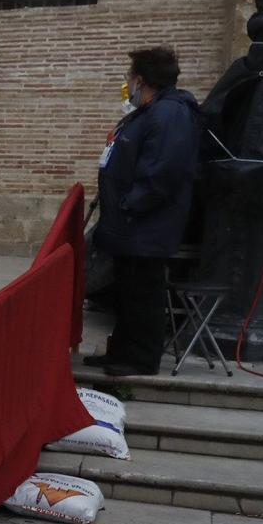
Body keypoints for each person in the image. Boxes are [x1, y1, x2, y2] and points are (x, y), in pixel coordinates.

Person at [87, 46, 203, 377]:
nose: (127, 84)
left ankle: (140, 358)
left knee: (142, 294)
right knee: (126, 293)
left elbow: (162, 173)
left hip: (144, 228)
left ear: (140, 79)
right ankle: (120, 352)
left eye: (129, 77)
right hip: (129, 228)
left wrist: (128, 206)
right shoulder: (147, 113)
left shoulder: (170, 115)